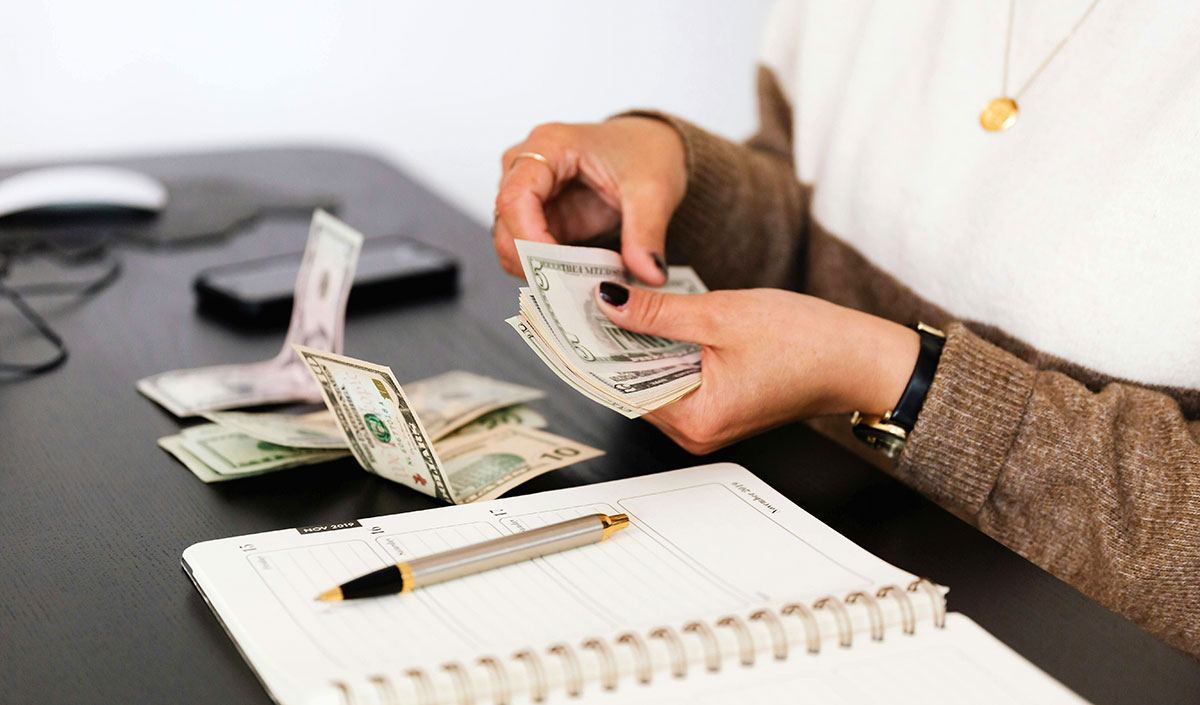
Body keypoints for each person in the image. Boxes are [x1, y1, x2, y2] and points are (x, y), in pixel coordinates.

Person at [489, 1, 1200, 658]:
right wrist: (679, 177)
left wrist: (899, 379)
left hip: (1066, 656)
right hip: (790, 562)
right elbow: (814, 208)